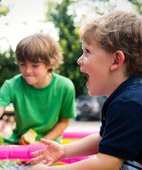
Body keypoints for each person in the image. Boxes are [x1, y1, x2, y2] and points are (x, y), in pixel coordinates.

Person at [28, 10, 142, 170]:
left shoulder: (129, 103)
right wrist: (63, 150)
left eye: (87, 52)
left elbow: (106, 165)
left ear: (116, 60)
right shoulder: (126, 97)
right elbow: (103, 140)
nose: (79, 60)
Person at [0, 33, 76, 148]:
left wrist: (40, 143)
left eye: (35, 65)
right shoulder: (11, 85)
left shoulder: (65, 86)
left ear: (50, 64)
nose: (27, 70)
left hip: (49, 145)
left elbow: (64, 122)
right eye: (22, 64)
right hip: (18, 143)